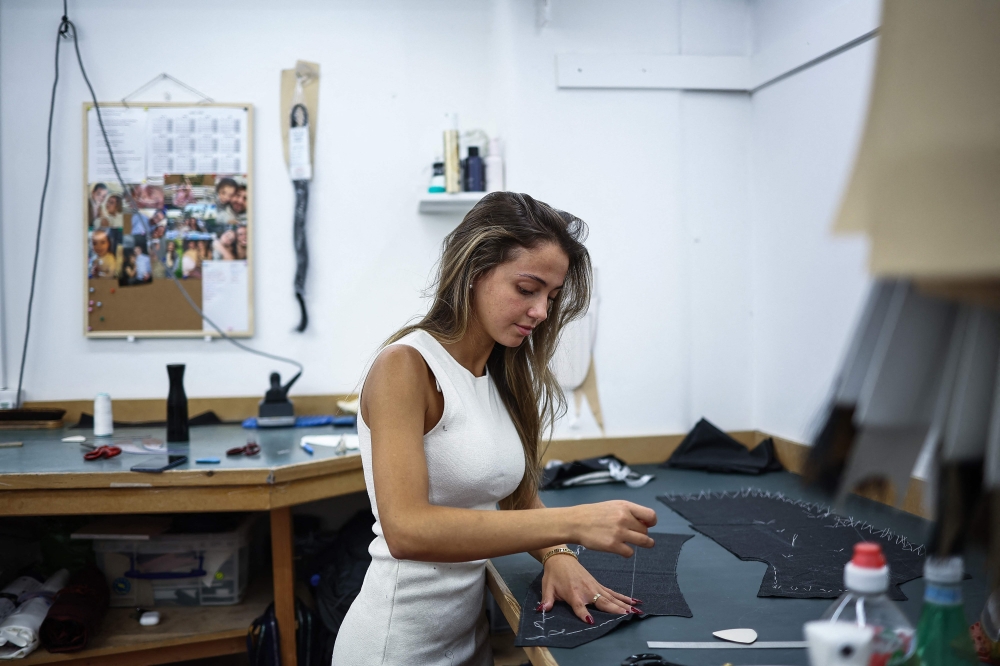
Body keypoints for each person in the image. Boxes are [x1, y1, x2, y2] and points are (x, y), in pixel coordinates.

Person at [332, 193, 656, 666]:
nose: (542, 311)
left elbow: (516, 497)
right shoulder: (405, 367)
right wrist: (575, 521)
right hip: (396, 648)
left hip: (468, 641)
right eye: (527, 289)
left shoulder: (498, 373)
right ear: (473, 271)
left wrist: (558, 555)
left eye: (551, 296)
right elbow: (407, 530)